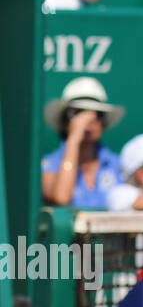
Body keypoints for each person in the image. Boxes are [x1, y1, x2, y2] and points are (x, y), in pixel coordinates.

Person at [40, 77, 124, 210]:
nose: (89, 121)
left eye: (99, 114)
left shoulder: (119, 165)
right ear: (65, 121)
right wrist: (73, 139)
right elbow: (61, 197)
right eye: (77, 113)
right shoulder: (49, 165)